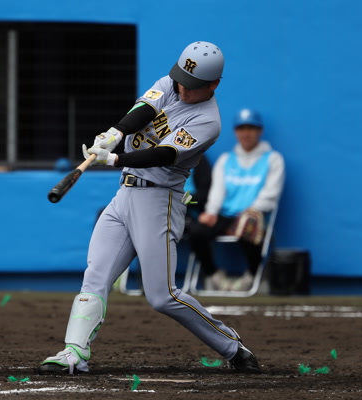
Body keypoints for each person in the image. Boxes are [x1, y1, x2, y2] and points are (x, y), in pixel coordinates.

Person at [40, 41, 260, 375]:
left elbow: (165, 154)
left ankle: (232, 346)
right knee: (96, 275)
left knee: (162, 296)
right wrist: (115, 132)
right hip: (124, 195)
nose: (183, 89)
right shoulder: (172, 82)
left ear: (213, 85)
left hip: (159, 200)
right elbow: (144, 109)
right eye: (181, 80)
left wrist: (115, 158)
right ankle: (74, 352)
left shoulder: (208, 121)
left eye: (193, 85)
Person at [188, 109, 285, 291]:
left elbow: (270, 194)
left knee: (247, 226)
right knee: (197, 230)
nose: (246, 133)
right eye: (241, 128)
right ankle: (213, 276)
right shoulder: (226, 160)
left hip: (254, 214)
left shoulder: (273, 159)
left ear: (259, 131)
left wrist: (251, 211)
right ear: (235, 132)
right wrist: (211, 212)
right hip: (225, 215)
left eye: (251, 128)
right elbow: (217, 191)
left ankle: (253, 277)